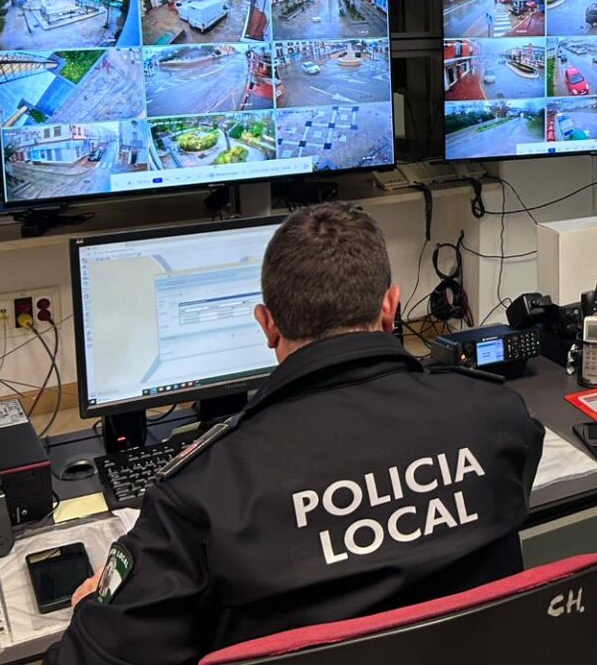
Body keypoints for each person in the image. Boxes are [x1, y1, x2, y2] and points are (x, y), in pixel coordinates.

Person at [45, 202, 545, 665]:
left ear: (267, 326)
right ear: (391, 308)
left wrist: (96, 610)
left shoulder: (200, 495)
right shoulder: (495, 414)